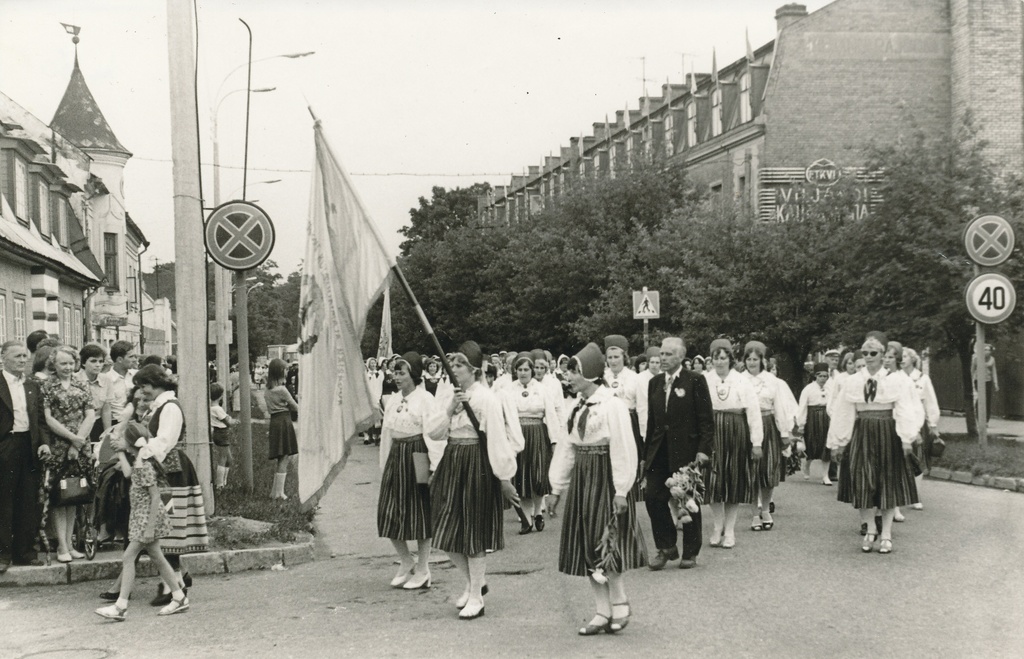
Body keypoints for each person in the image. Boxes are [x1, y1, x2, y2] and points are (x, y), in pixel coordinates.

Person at [548, 342, 647, 635]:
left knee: (607, 541)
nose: (569, 378)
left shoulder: (612, 404)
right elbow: (566, 449)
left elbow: (623, 447)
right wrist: (556, 489)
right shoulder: (575, 407)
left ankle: (620, 602)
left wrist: (621, 489)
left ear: (589, 374)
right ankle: (601, 610)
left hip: (604, 476)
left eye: (574, 373)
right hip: (583, 478)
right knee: (586, 543)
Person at [430, 341, 519, 620]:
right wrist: (450, 408)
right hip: (452, 460)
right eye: (452, 364)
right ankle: (474, 582)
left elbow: (496, 438)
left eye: (459, 365)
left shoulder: (486, 399)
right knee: (443, 527)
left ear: (474, 369)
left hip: (476, 464)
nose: (454, 369)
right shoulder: (451, 395)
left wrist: (504, 477)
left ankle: (477, 597)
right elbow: (433, 432)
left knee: (472, 530)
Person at [828, 332, 921, 554]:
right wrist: (839, 442)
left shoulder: (896, 380)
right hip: (862, 433)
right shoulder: (853, 382)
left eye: (874, 353)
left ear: (883, 355)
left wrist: (907, 438)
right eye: (866, 353)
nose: (869, 357)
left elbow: (905, 409)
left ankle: (886, 533)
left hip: (887, 432)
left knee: (886, 482)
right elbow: (843, 412)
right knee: (863, 481)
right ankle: (870, 528)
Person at [95, 423, 190, 621]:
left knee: (128, 557)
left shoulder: (144, 464)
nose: (117, 440)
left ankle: (121, 606)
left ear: (130, 442)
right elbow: (129, 474)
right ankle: (179, 597)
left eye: (121, 438)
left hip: (146, 519)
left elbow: (155, 497)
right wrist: (120, 452)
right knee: (158, 558)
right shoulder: (139, 459)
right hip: (142, 517)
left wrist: (149, 528)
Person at [129, 364, 206, 606]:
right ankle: (179, 578)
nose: (142, 393)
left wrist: (141, 452)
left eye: (145, 387)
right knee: (167, 527)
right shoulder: (160, 406)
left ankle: (170, 584)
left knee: (168, 528)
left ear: (156, 384)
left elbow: (164, 441)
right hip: (164, 470)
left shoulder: (170, 407)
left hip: (170, 471)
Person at [377, 352, 447, 590]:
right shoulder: (393, 401)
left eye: (402, 373)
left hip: (418, 455)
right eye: (395, 372)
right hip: (397, 456)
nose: (397, 377)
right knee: (388, 511)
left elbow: (434, 434)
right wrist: (384, 464)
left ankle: (424, 568)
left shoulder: (426, 399)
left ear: (413, 374)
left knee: (420, 512)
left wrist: (435, 467)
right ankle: (406, 560)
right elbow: (387, 435)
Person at [644, 337, 713, 570]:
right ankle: (666, 547)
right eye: (661, 354)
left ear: (681, 357)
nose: (662, 358)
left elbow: (706, 420)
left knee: (687, 499)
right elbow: (652, 422)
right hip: (659, 450)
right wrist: (646, 454)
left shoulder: (695, 381)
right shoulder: (654, 383)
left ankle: (690, 552)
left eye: (668, 354)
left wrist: (703, 450)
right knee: (652, 497)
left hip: (686, 449)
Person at [703, 339, 762, 549]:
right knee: (712, 481)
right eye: (715, 358)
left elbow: (753, 412)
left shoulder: (741, 381)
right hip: (711, 432)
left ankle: (730, 530)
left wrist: (756, 442)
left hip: (736, 431)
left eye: (723, 357)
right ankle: (717, 526)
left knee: (733, 480)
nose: (719, 362)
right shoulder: (704, 379)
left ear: (730, 359)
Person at [41, 345, 96, 563]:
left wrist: (78, 442)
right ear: (53, 364)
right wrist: (71, 439)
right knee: (58, 496)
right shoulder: (46, 386)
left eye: (71, 363)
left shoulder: (82, 384)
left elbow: (90, 415)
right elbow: (47, 418)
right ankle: (61, 546)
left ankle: (71, 543)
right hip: (58, 446)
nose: (67, 367)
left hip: (80, 446)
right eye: (63, 363)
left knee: (75, 494)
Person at [0, 341, 49, 572]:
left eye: (25, 356)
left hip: (28, 446)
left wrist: (44, 444)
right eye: (17, 356)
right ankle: (3, 555)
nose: (23, 360)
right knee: (4, 500)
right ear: (4, 359)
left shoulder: (32, 386)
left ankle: (25, 552)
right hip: (6, 444)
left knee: (28, 500)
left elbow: (40, 420)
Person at [742, 341, 797, 532]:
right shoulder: (739, 379)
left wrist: (784, 433)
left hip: (768, 425)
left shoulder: (773, 381)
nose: (751, 362)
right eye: (748, 359)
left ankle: (765, 509)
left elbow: (780, 407)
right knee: (750, 472)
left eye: (755, 359)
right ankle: (754, 513)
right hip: (746, 426)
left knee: (767, 470)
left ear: (762, 360)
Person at [509, 352, 564, 534]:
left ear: (532, 371)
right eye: (520, 369)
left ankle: (538, 512)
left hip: (538, 434)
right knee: (522, 477)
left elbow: (551, 415)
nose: (523, 373)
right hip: (518, 435)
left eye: (526, 369)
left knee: (538, 476)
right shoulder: (509, 390)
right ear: (515, 371)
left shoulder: (542, 389)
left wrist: (555, 441)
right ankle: (526, 519)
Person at [603, 335, 646, 500]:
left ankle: (627, 516)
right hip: (607, 425)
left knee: (626, 463)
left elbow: (642, 407)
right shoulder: (602, 377)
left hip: (629, 423)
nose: (613, 361)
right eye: (610, 357)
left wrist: (643, 434)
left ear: (624, 357)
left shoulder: (634, 378)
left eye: (617, 357)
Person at [902, 347, 939, 505]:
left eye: (905, 356)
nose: (902, 359)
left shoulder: (922, 378)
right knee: (902, 458)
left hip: (918, 422)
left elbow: (931, 401)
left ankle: (916, 496)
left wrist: (933, 423)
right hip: (900, 422)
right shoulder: (895, 377)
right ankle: (901, 495)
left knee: (918, 458)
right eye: (900, 357)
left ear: (913, 359)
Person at [265, 358, 299, 500]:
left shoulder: (268, 390)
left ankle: (275, 491)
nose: (286, 371)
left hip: (275, 421)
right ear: (279, 371)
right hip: (284, 421)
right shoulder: (282, 390)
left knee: (281, 456)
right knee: (284, 456)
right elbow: (294, 406)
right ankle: (279, 493)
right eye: (284, 369)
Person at [797, 363, 833, 485]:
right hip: (812, 419)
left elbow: (834, 405)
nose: (823, 378)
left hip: (826, 418)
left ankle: (825, 476)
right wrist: (801, 424)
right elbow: (802, 407)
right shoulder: (808, 389)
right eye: (820, 376)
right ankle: (806, 467)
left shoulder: (830, 388)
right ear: (815, 376)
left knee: (826, 447)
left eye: (825, 376)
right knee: (811, 446)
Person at [75, 344, 113, 446]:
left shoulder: (106, 380)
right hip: (79, 425)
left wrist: (107, 433)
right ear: (83, 363)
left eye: (100, 361)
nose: (98, 365)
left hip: (97, 424)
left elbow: (106, 409)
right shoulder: (74, 380)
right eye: (93, 361)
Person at [210, 384, 237, 491]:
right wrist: (233, 421)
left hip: (219, 433)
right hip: (222, 433)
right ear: (220, 396)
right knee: (223, 458)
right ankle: (220, 484)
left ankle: (224, 483)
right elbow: (228, 422)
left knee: (229, 459)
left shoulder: (211, 408)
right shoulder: (217, 409)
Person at [972, 343, 998, 422]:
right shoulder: (977, 358)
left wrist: (996, 383)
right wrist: (972, 381)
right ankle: (978, 418)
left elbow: (994, 371)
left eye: (988, 350)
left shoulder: (992, 359)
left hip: (987, 381)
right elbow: (972, 370)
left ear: (991, 351)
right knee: (979, 399)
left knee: (987, 400)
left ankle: (986, 420)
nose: (987, 351)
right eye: (985, 350)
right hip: (978, 380)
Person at [365, 358, 385, 445]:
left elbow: (379, 386)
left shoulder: (379, 374)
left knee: (378, 418)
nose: (373, 365)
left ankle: (377, 435)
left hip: (376, 397)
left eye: (374, 363)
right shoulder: (366, 374)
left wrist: (377, 398)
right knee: (369, 417)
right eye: (371, 363)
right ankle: (368, 436)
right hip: (368, 397)